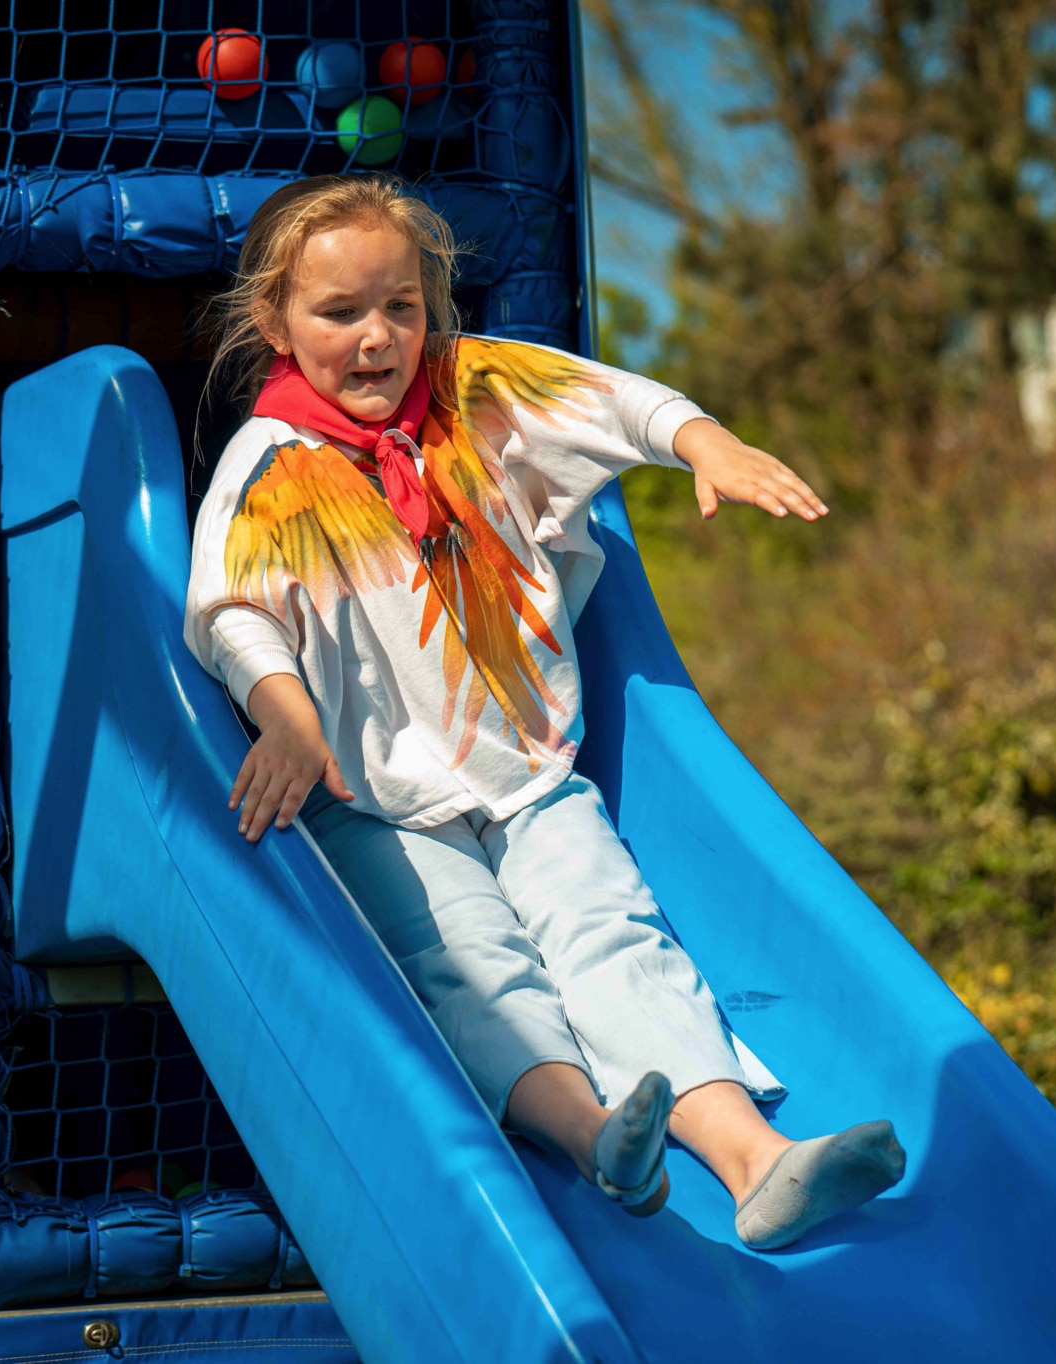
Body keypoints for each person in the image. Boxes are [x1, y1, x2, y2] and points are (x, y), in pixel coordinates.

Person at [184, 174, 904, 1250]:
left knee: (616, 936)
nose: (377, 338)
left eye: (402, 307)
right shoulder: (270, 464)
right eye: (340, 314)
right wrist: (285, 714)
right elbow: (234, 609)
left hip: (530, 772)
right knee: (470, 961)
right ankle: (593, 1131)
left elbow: (606, 398)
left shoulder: (475, 397)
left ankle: (755, 1160)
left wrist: (705, 443)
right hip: (379, 804)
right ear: (272, 323)